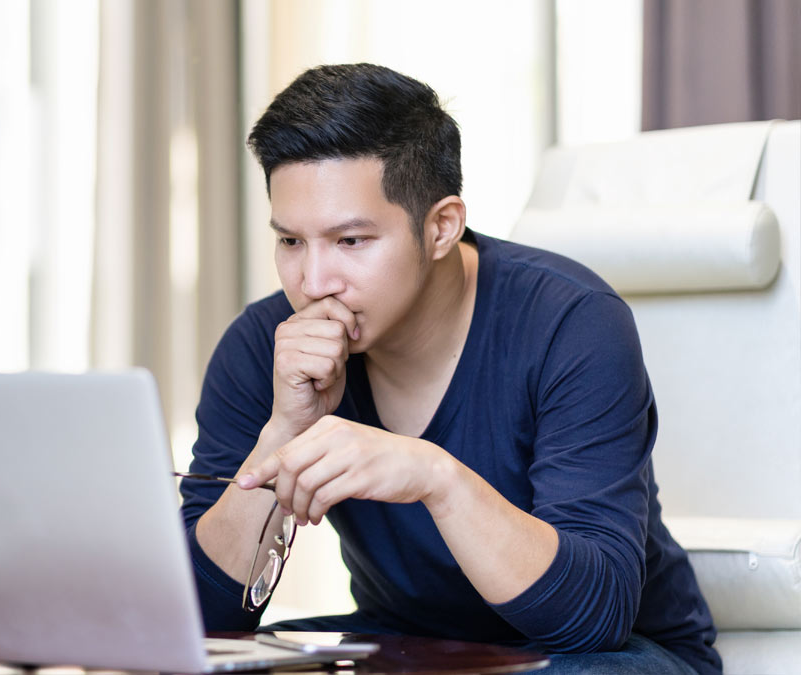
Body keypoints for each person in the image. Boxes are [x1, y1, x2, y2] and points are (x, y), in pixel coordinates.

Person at [178, 63, 721, 675]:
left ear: (440, 227)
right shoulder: (264, 346)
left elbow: (592, 619)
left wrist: (434, 477)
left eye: (351, 241)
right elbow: (194, 623)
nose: (313, 282)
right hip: (410, 644)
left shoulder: (572, 324)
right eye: (291, 242)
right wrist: (282, 433)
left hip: (602, 655)